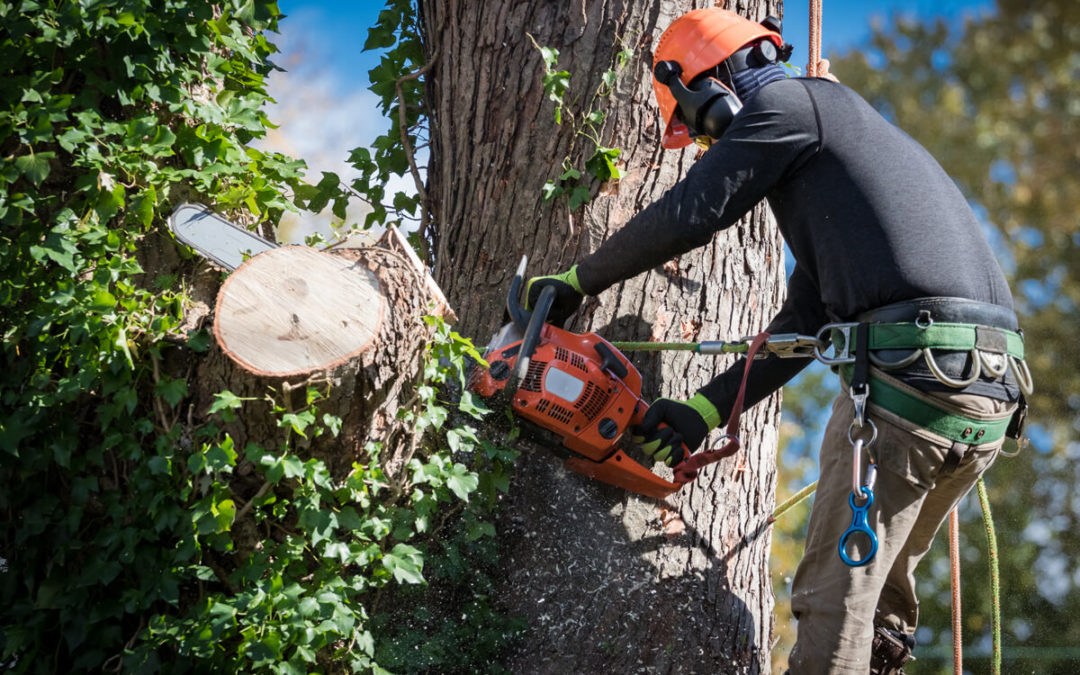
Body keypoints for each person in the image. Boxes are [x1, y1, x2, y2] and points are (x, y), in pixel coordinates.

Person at [525, 8, 1029, 674]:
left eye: (698, 128)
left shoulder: (792, 105)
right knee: (876, 612)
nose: (707, 149)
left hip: (914, 383)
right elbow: (806, 323)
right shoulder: (837, 145)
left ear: (712, 87)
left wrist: (575, 280)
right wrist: (703, 411)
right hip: (985, 395)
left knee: (831, 605)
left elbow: (693, 213)